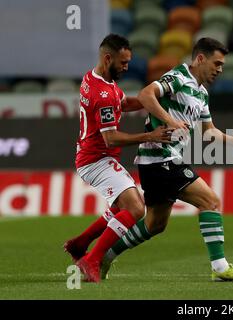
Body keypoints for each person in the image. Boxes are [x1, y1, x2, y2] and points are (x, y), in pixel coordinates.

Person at [98, 37, 233, 282]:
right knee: (211, 201)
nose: (220, 70)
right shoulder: (178, 77)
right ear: (200, 58)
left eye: (222, 65)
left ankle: (105, 256)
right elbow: (145, 94)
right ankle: (220, 267)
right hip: (160, 158)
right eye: (216, 63)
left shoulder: (202, 93)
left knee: (154, 224)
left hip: (159, 162)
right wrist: (171, 120)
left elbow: (209, 131)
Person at [63, 34, 173, 282]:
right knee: (135, 208)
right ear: (108, 58)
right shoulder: (103, 94)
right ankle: (92, 260)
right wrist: (150, 135)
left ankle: (79, 244)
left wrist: (153, 101)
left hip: (91, 157)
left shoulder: (95, 79)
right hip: (97, 159)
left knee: (119, 209)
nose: (126, 67)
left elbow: (123, 103)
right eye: (123, 63)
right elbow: (110, 139)